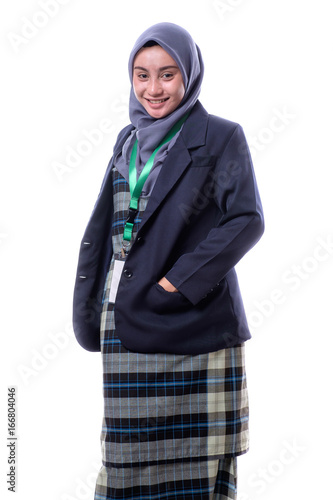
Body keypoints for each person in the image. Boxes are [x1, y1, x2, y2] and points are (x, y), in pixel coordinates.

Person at [73, 22, 264, 500]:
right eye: (141, 75)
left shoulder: (220, 137)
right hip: (124, 321)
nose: (153, 89)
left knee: (195, 469)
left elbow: (246, 220)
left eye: (166, 74)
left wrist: (175, 284)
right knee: (124, 464)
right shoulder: (127, 139)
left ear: (189, 75)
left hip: (192, 325)